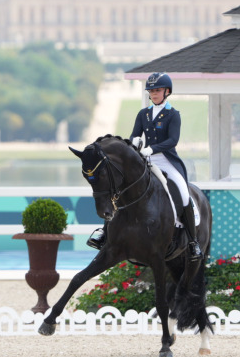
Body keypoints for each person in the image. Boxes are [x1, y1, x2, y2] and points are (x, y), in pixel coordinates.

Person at [87, 72, 203, 261]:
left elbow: (172, 140)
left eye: (157, 90)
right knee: (118, 189)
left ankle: (192, 242)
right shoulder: (144, 114)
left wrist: (152, 149)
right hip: (145, 159)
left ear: (166, 92)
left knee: (182, 193)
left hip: (166, 159)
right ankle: (104, 233)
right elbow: (134, 135)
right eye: (151, 91)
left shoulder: (173, 115)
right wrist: (135, 145)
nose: (153, 94)